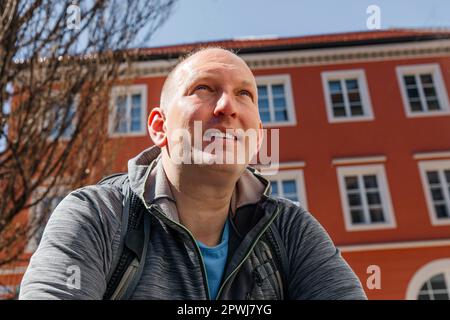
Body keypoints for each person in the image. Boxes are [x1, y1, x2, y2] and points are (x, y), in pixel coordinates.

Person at [19, 47, 367, 300]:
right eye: (204, 88)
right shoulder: (98, 216)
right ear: (160, 127)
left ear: (258, 135)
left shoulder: (291, 231)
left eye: (244, 93)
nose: (227, 106)